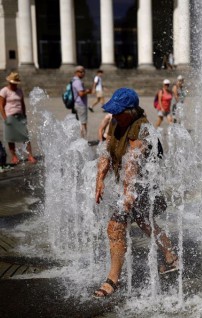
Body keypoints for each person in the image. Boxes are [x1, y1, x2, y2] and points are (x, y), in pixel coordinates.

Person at [93, 88, 178, 298]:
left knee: (114, 227)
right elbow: (107, 149)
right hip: (132, 185)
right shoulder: (116, 121)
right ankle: (171, 257)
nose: (114, 115)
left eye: (118, 111)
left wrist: (128, 194)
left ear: (131, 111)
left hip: (142, 185)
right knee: (145, 221)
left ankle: (113, 280)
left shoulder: (142, 128)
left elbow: (132, 163)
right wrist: (99, 180)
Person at [0, 72, 37, 164]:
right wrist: (5, 118)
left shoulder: (19, 91)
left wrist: (24, 115)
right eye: (13, 83)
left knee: (25, 136)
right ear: (9, 82)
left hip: (20, 116)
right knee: (10, 138)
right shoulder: (4, 91)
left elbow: (22, 104)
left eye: (15, 83)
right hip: (10, 116)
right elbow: (1, 105)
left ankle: (30, 155)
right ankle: (14, 156)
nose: (14, 85)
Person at [72, 65, 91, 138]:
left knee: (80, 122)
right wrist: (87, 91)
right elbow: (81, 93)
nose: (83, 73)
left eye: (84, 71)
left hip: (77, 103)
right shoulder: (78, 82)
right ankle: (83, 139)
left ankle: (81, 139)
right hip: (81, 104)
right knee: (83, 123)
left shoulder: (74, 80)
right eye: (81, 71)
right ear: (76, 72)